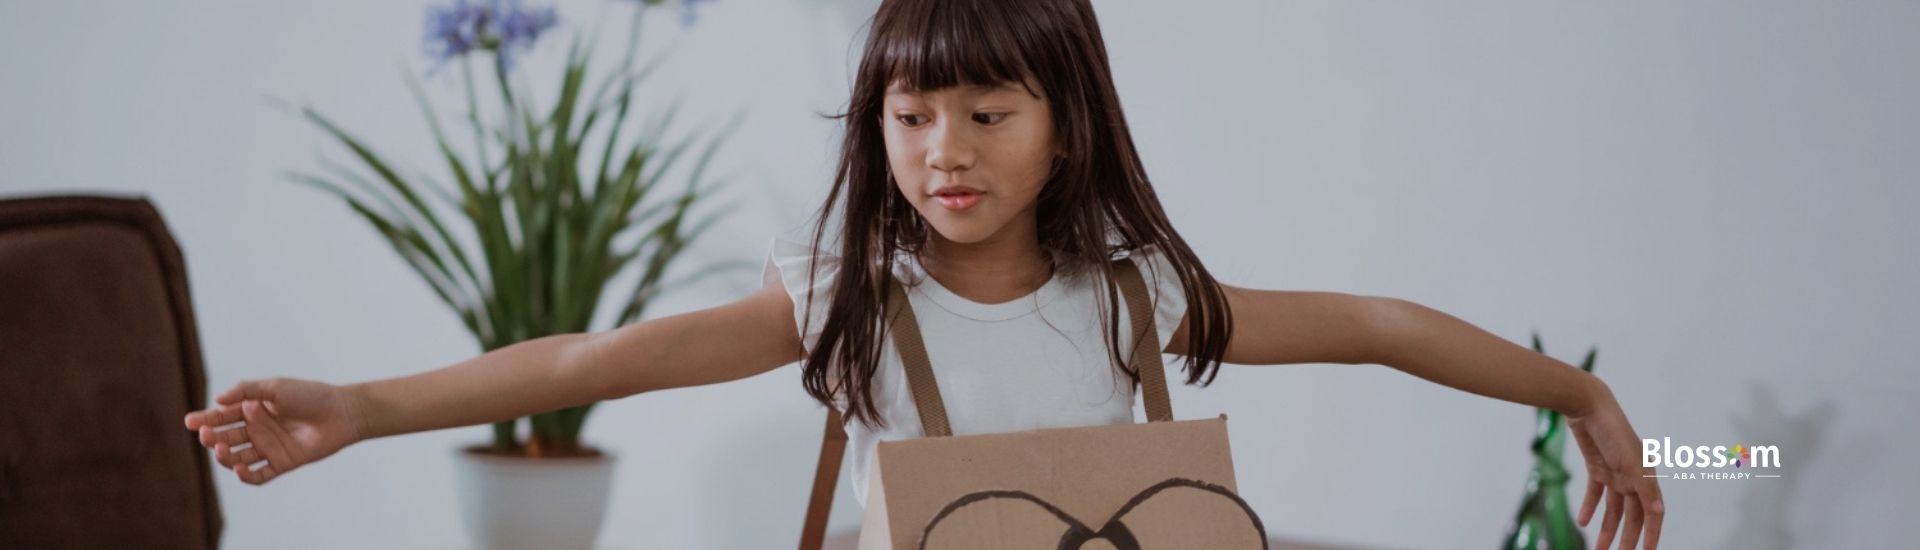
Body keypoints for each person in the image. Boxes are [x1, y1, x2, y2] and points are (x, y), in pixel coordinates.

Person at [183, 0, 1664, 547]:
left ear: (1065, 121)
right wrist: (362, 405)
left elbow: (1375, 326)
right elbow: (594, 361)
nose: (941, 149)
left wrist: (1580, 393)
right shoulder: (844, 300)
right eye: (910, 114)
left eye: (986, 111)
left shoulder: (1136, 292)